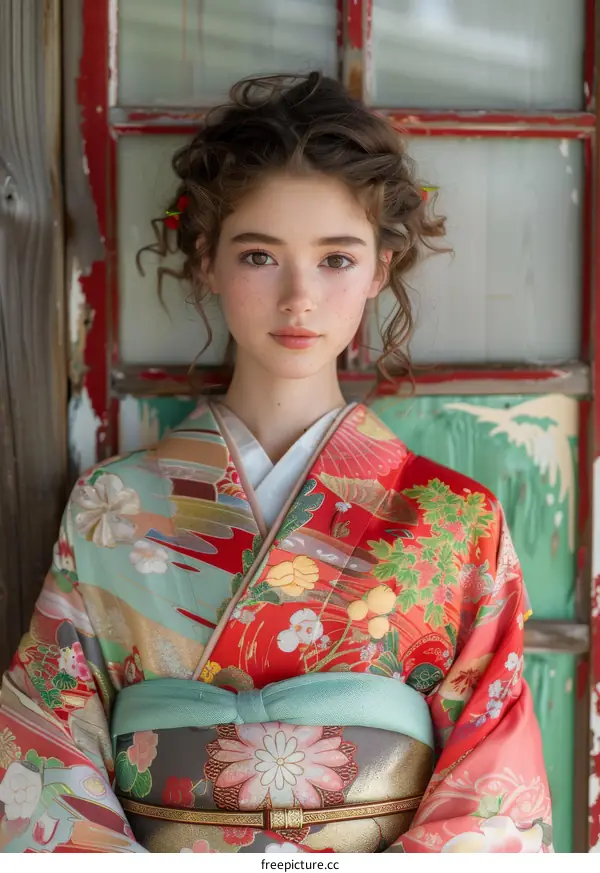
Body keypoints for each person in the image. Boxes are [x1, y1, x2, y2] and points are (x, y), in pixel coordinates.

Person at [0, 72, 551, 854]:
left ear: (380, 268)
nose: (299, 296)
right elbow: (46, 749)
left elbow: (492, 791)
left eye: (336, 258)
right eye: (260, 255)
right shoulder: (113, 505)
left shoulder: (453, 518)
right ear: (206, 258)